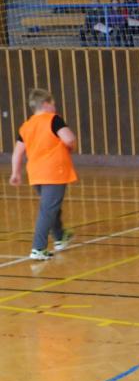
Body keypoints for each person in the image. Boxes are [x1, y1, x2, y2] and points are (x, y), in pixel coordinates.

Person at [8, 89, 78, 261]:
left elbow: (17, 153)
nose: (55, 106)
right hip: (54, 171)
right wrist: (70, 146)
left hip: (36, 173)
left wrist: (15, 172)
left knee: (51, 206)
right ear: (46, 104)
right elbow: (69, 138)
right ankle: (38, 248)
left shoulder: (26, 125)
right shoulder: (54, 119)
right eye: (53, 103)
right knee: (48, 210)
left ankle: (60, 237)